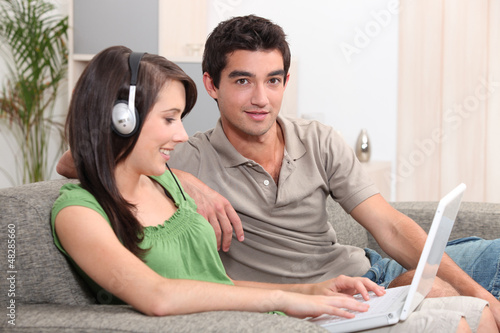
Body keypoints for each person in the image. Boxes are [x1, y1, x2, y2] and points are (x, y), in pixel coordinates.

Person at [55, 19, 498, 332]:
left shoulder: (316, 138)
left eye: (274, 80)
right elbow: (84, 156)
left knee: (481, 284)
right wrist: (182, 177)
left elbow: (389, 225)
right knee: (453, 303)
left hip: (362, 271)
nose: (261, 99)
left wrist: (480, 290)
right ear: (212, 84)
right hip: (320, 301)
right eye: (243, 81)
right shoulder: (182, 157)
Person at [51, 45, 392, 319]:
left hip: (264, 315)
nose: (182, 134)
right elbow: (158, 295)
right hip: (254, 319)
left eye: (273, 81)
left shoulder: (162, 184)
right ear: (122, 121)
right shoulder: (77, 212)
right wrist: (285, 299)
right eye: (169, 119)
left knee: (441, 307)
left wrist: (312, 292)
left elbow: (219, 283)